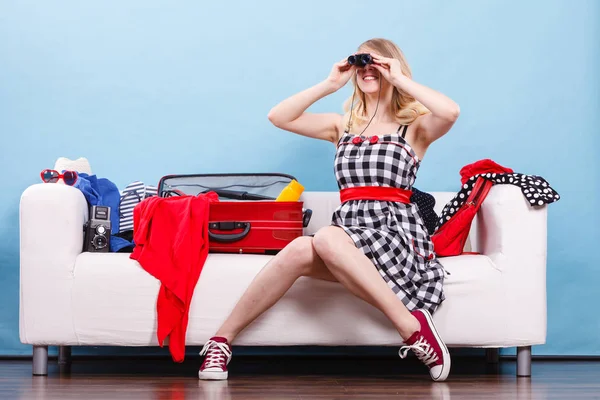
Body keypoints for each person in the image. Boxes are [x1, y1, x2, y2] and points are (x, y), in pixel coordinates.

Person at [197, 38, 460, 382]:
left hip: (394, 235)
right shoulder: (342, 126)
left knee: (325, 238)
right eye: (362, 63)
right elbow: (278, 116)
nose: (368, 69)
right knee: (301, 249)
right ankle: (220, 342)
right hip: (348, 236)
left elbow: (450, 111)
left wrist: (397, 78)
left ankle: (411, 328)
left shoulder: (414, 127)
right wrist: (330, 83)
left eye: (377, 63)